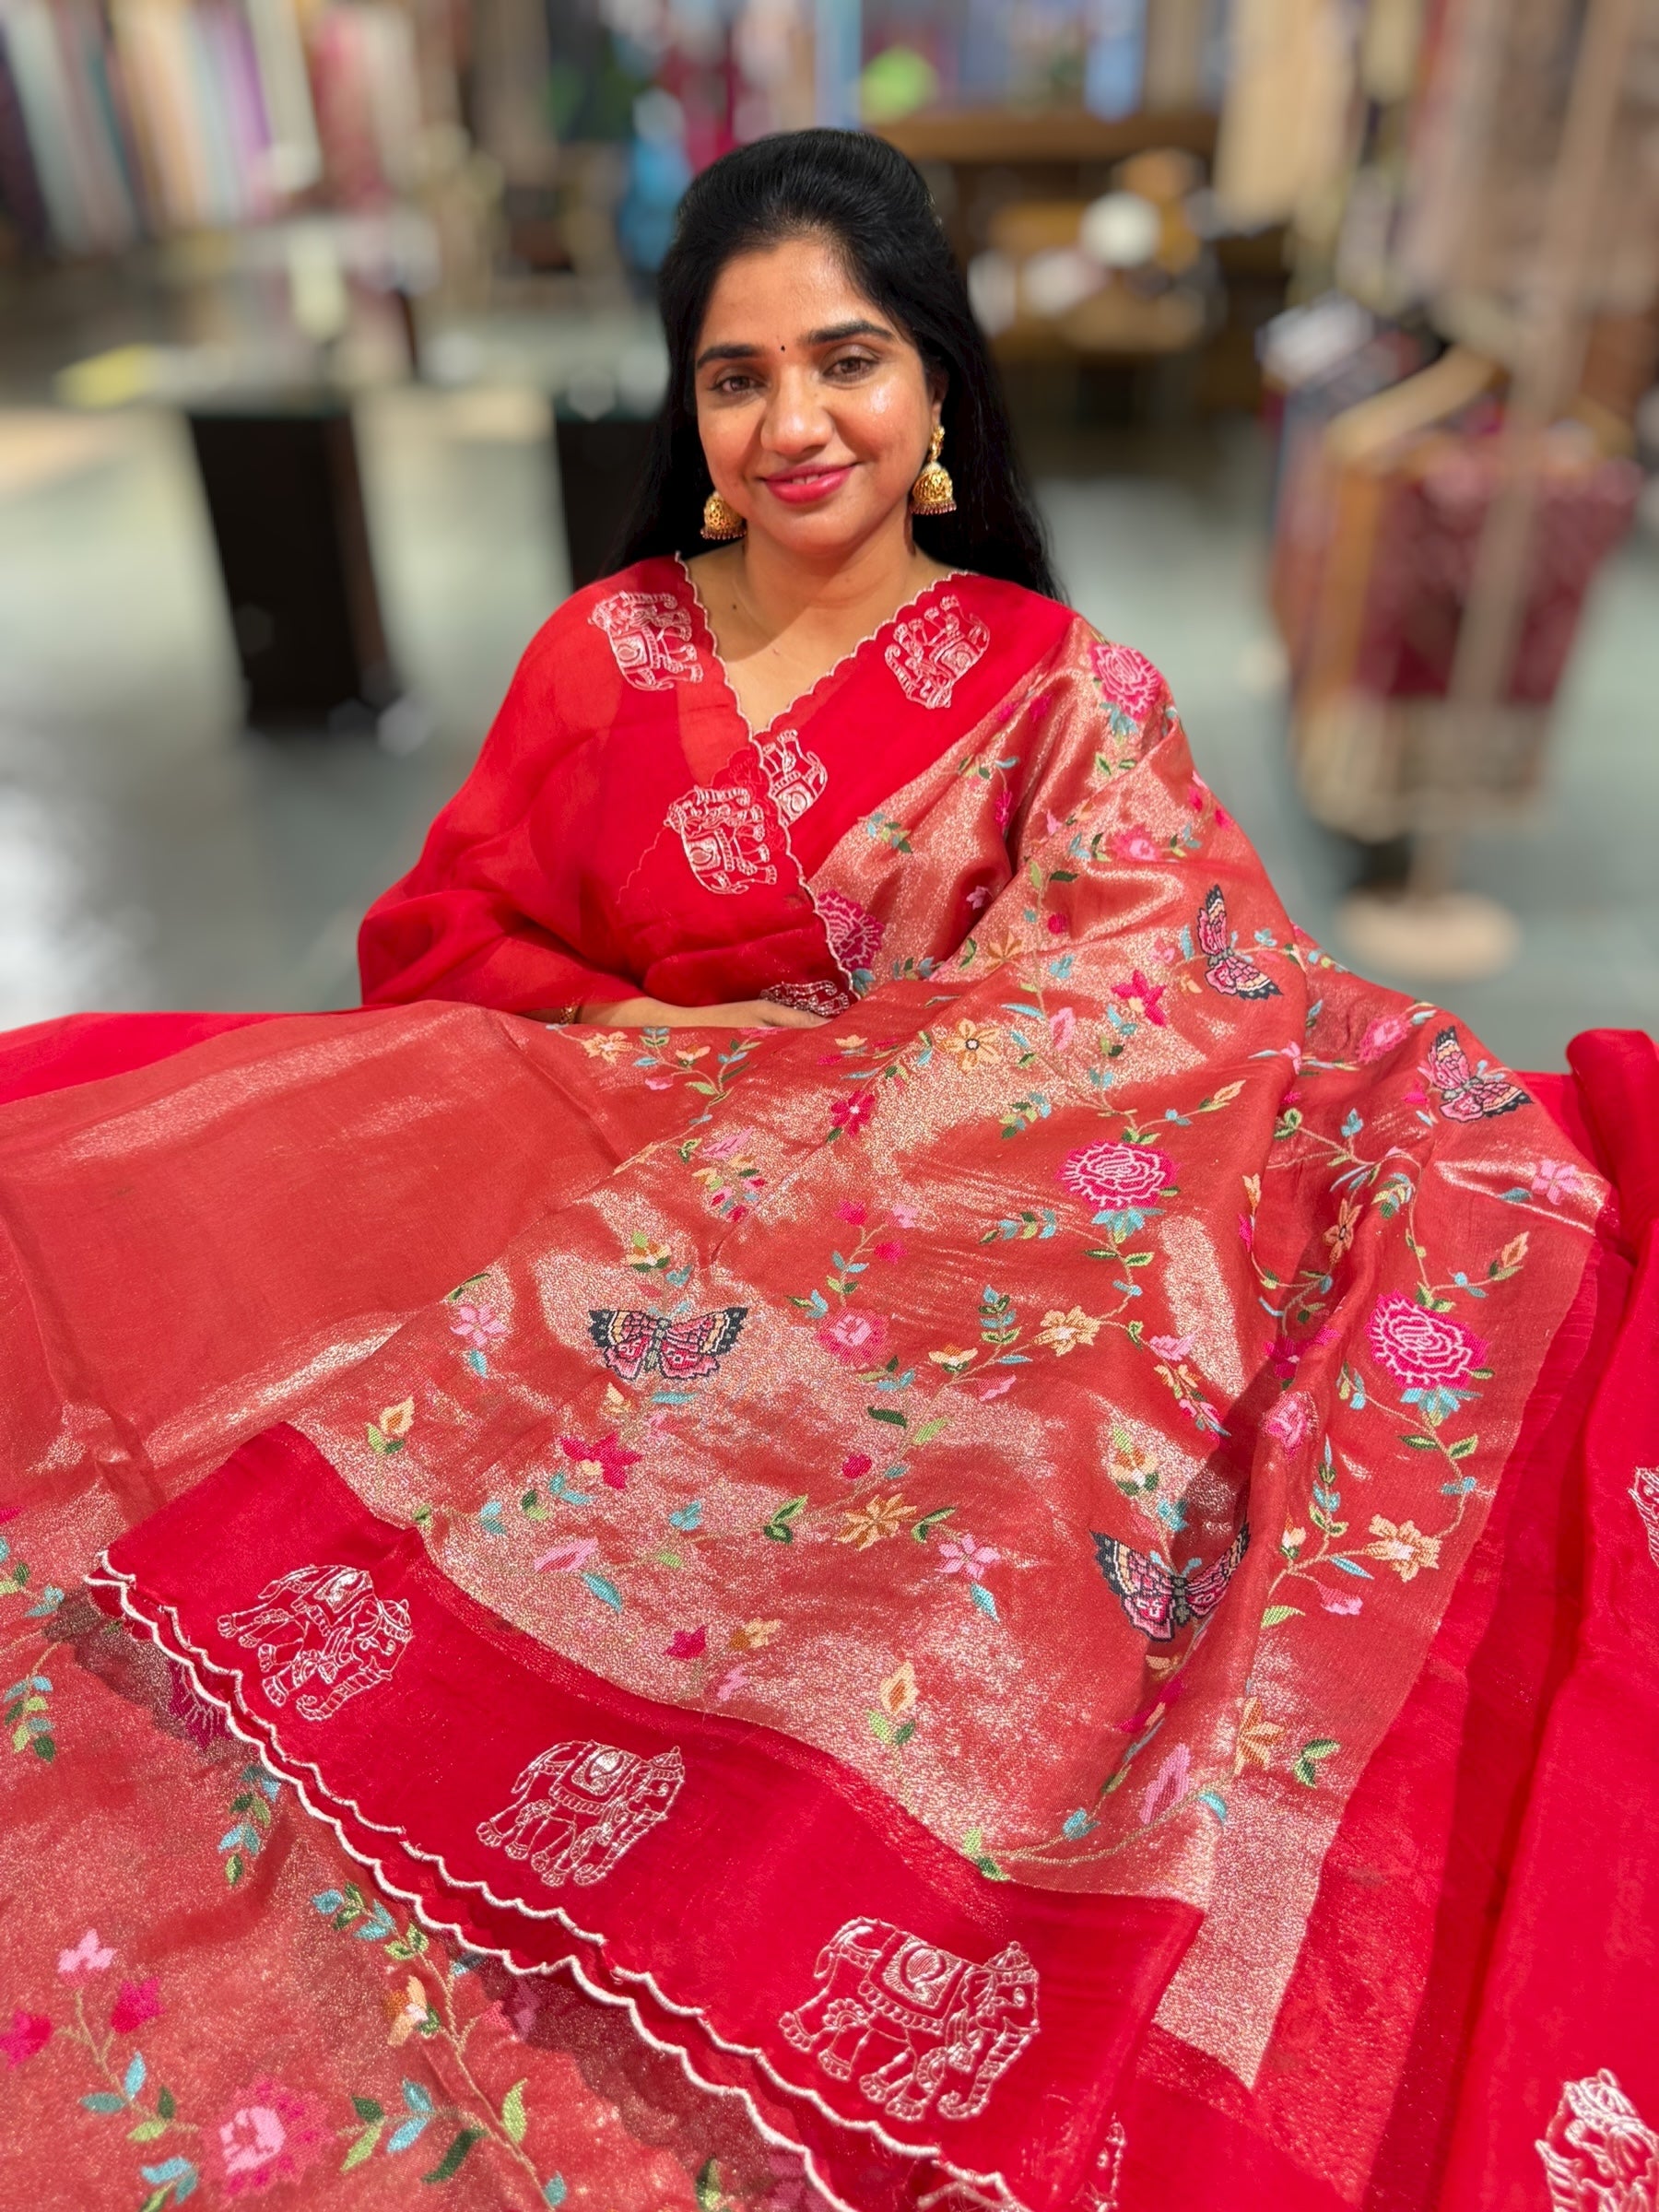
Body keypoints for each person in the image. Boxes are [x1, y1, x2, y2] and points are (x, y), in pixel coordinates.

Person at [0, 131, 1654, 2212]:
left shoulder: (1061, 696)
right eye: (737, 374)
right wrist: (648, 1034)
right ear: (690, 410)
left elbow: (1171, 994)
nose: (795, 423)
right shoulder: (606, 653)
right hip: (588, 1181)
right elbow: (442, 936)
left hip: (930, 1261)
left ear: (936, 383)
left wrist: (859, 1095)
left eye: (847, 360)